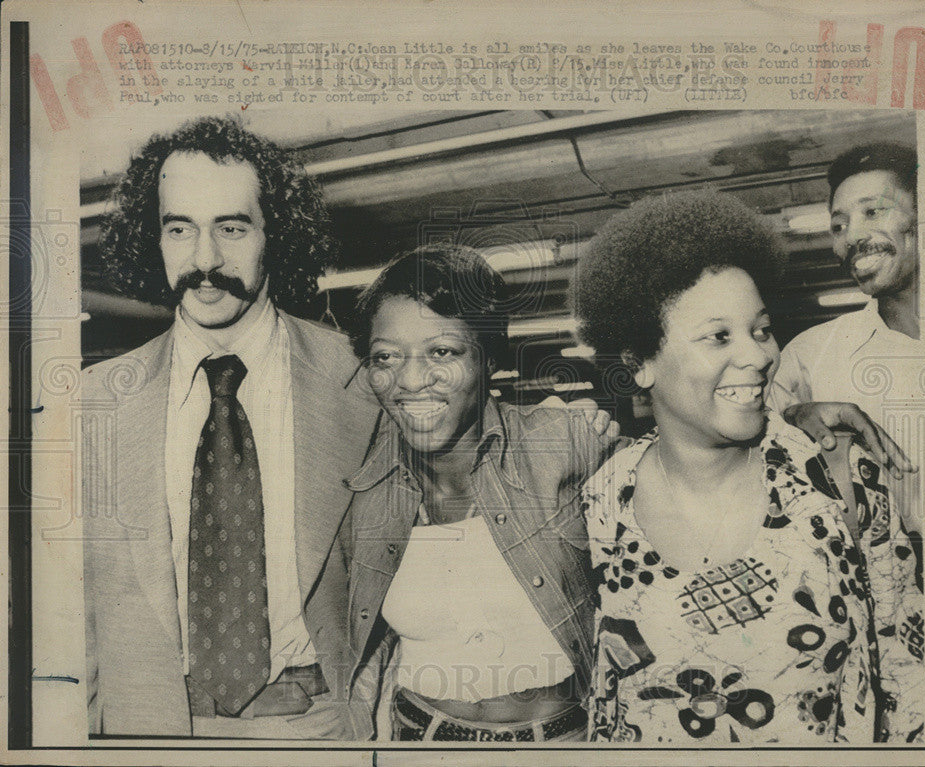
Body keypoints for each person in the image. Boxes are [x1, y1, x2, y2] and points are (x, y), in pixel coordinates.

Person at [572, 191, 923, 743]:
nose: (761, 355)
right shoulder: (596, 507)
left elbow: (907, 667)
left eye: (761, 329)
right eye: (719, 336)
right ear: (640, 363)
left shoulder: (837, 475)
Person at [82, 117, 382, 738]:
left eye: (233, 227)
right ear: (155, 238)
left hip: (314, 728)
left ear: (277, 235)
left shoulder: (361, 383)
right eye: (179, 229)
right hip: (145, 731)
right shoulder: (91, 403)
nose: (206, 261)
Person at [341, 245, 619, 741]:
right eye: (385, 357)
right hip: (418, 742)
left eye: (442, 352)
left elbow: (685, 467)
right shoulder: (365, 491)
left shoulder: (564, 443)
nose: (409, 380)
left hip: (560, 743)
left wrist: (792, 417)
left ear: (488, 358)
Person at [769, 143, 924, 532]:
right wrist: (790, 417)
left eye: (873, 211)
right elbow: (736, 446)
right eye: (838, 226)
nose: (851, 236)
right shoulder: (810, 354)